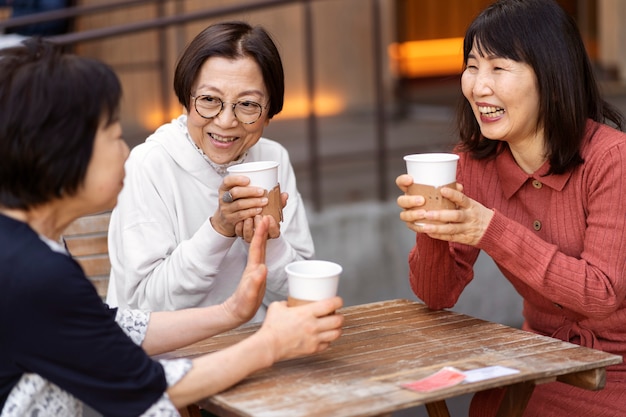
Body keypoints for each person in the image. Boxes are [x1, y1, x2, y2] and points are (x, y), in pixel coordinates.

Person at [0, 38, 343, 417]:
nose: (126, 151)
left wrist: (232, 311)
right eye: (113, 136)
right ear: (58, 152)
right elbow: (142, 389)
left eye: (247, 104)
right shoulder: (33, 274)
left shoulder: (28, 252)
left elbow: (111, 328)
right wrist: (270, 344)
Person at [395, 0, 626, 415]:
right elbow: (437, 296)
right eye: (472, 66)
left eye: (498, 68)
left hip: (617, 368)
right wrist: (431, 225)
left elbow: (601, 294)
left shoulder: (612, 159)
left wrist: (489, 228)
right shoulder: (472, 163)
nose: (478, 87)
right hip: (539, 357)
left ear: (552, 77)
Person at [106, 21, 314, 320]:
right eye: (209, 100)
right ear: (186, 99)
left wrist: (269, 241)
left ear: (269, 112)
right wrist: (219, 229)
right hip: (171, 358)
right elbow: (142, 307)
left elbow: (301, 290)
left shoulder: (272, 158)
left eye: (247, 104)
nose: (226, 121)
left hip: (256, 346)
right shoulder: (149, 164)